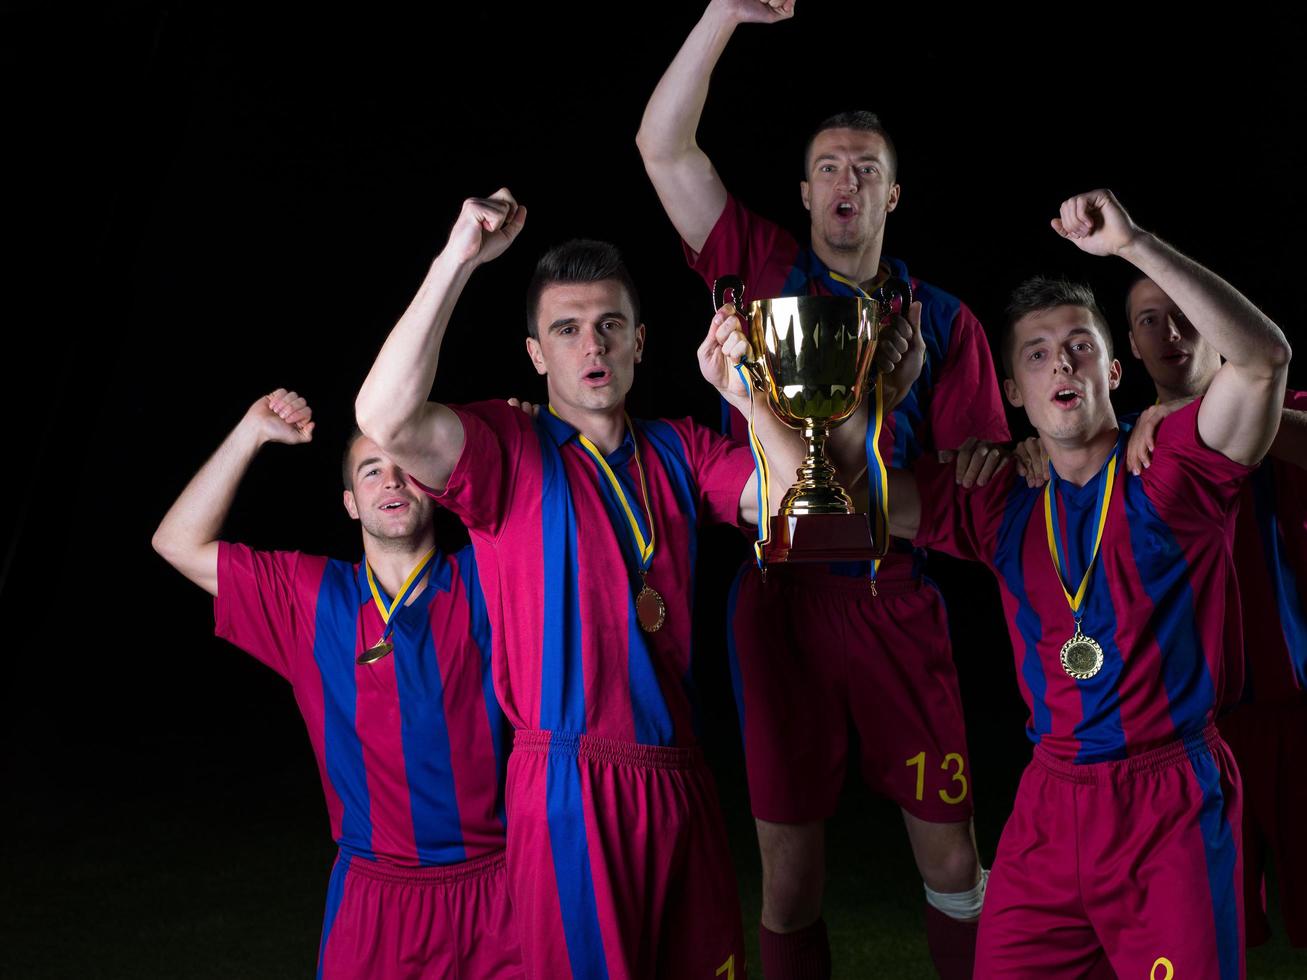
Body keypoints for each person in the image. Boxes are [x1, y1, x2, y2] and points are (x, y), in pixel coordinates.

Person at [636, 3, 1008, 975]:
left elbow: (973, 489)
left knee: (951, 854)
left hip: (894, 602)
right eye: (831, 167)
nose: (848, 181)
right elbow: (661, 145)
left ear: (894, 195)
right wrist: (721, 11)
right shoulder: (759, 273)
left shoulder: (943, 322)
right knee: (789, 875)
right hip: (780, 601)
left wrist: (991, 460)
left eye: (867, 169)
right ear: (803, 192)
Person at [352, 188, 808, 979]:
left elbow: (797, 504)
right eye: (565, 329)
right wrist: (458, 257)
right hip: (567, 784)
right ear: (537, 354)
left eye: (608, 325)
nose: (590, 344)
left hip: (679, 773)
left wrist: (746, 396)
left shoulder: (680, 448)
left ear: (639, 341)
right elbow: (385, 416)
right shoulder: (508, 446)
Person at [881, 188, 1291, 978]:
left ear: (1110, 369)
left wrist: (1132, 243)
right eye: (1035, 355)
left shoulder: (1167, 474)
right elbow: (843, 501)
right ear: (1011, 392)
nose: (1058, 362)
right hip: (1048, 803)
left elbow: (1263, 359)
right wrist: (887, 398)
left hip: (1168, 799)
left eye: (1076, 346)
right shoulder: (997, 500)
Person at [151, 389, 521, 979]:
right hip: (375, 897)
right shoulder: (310, 597)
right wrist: (250, 431)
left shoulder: (492, 574)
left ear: (436, 484)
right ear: (351, 503)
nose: (392, 482)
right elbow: (176, 542)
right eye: (373, 472)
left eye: (407, 468)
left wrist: (519, 437)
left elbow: (564, 514)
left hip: (500, 892)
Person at [1121, 274, 1307, 952]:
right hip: (1189, 732)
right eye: (1148, 320)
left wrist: (1195, 415)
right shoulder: (1125, 447)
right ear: (1131, 348)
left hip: (1295, 709)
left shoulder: (1285, 413)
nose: (1168, 332)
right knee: (1203, 935)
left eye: (1181, 314)